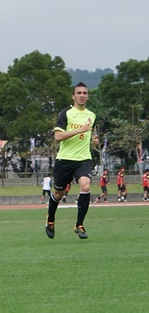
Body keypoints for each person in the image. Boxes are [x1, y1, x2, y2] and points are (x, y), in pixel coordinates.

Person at [44, 82, 98, 240]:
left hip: (83, 159)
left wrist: (94, 140)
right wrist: (79, 130)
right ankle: (51, 220)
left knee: (85, 186)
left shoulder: (92, 115)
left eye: (85, 93)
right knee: (59, 193)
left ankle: (79, 225)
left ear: (87, 96)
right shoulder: (66, 113)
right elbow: (58, 137)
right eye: (79, 93)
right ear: (73, 96)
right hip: (65, 160)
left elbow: (91, 135)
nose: (82, 95)